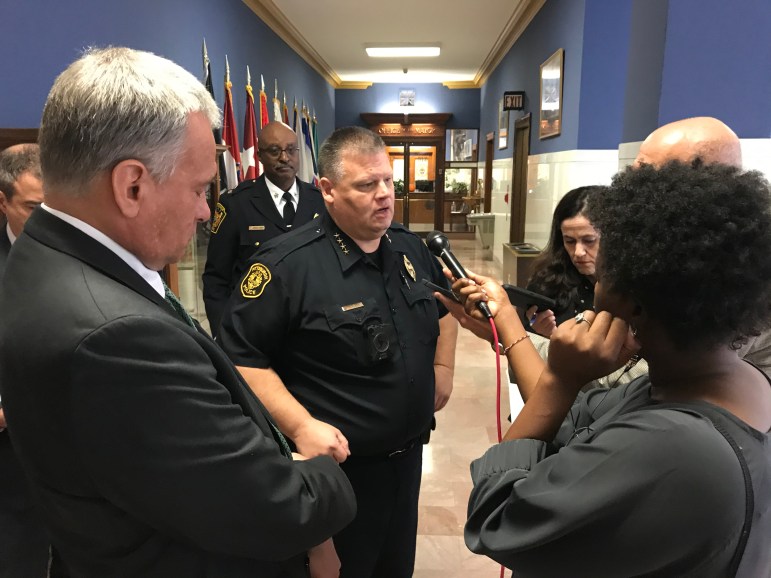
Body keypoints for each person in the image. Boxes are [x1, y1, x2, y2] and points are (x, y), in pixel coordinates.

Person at [0, 47, 355, 578]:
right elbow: (279, 509)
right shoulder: (118, 338)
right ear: (132, 185)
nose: (206, 210)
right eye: (197, 189)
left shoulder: (42, 254)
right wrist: (321, 476)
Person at [451, 161, 771, 576]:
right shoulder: (706, 379)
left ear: (634, 300)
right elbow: (581, 417)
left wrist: (559, 380)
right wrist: (535, 347)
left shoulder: (674, 445)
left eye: (604, 274)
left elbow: (496, 521)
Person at [219, 126, 458, 578]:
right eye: (367, 185)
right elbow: (240, 357)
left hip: (407, 460)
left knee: (395, 568)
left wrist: (443, 366)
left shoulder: (409, 247)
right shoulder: (286, 266)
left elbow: (444, 309)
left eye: (388, 180)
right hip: (339, 474)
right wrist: (301, 424)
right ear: (327, 190)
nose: (384, 195)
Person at [635, 115, 771, 375]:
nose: (630, 185)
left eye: (646, 173)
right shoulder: (664, 244)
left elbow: (658, 374)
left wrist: (539, 349)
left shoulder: (743, 265)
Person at [203, 121, 325, 338]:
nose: (284, 158)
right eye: (275, 151)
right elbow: (216, 279)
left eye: (290, 150)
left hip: (312, 327)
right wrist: (224, 335)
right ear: (259, 155)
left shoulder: (321, 202)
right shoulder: (236, 204)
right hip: (252, 329)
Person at [0, 144, 50, 577]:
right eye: (34, 207)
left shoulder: (79, 249)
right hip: (10, 441)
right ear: (3, 202)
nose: (46, 219)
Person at [522, 185, 603, 337]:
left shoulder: (635, 291)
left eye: (589, 240)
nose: (578, 252)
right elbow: (523, 337)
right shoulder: (547, 283)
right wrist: (540, 331)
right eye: (570, 241)